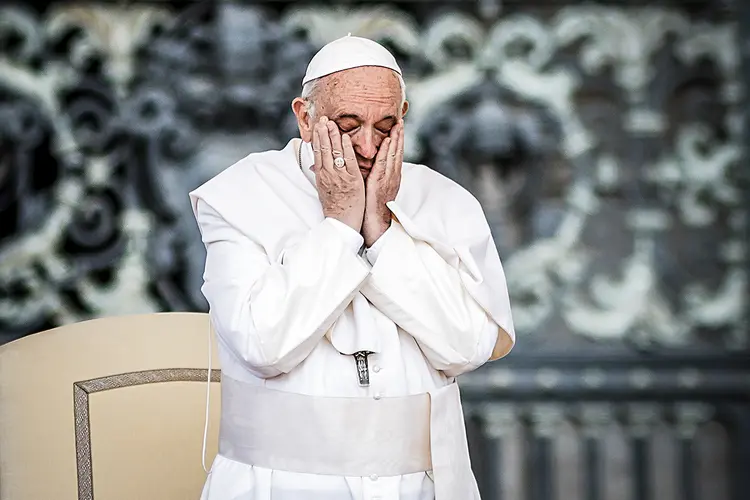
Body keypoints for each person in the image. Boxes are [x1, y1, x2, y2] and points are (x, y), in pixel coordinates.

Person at [189, 35, 515, 500]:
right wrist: (341, 225)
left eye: (385, 126)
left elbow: (468, 346)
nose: (367, 146)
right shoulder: (238, 197)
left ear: (403, 117)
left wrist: (381, 229)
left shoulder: (445, 201)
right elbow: (263, 345)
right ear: (305, 117)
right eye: (348, 124)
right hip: (277, 486)